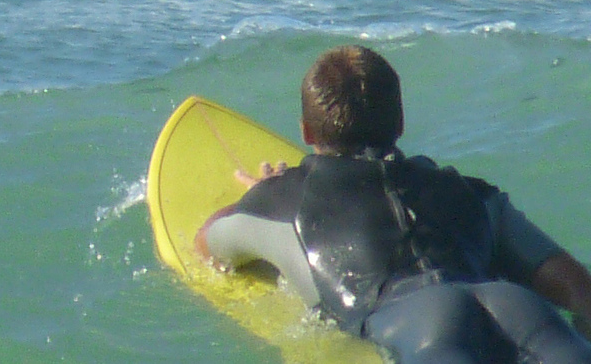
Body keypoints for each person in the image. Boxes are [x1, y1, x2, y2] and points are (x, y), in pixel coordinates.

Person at [195, 45, 591, 364]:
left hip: (419, 327)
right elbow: (579, 289)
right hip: (519, 309)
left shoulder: (284, 202)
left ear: (306, 131)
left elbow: (206, 244)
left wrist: (259, 192)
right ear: (400, 123)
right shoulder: (470, 191)